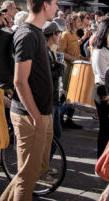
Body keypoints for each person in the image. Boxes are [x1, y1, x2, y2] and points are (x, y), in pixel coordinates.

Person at [0, 0, 59, 201]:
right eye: (54, 4)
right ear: (45, 5)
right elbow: (20, 81)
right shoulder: (27, 35)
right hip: (29, 115)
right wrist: (35, 115)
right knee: (27, 178)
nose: (57, 8)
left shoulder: (37, 33)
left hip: (41, 113)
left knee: (36, 168)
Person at [92, 18, 109, 158]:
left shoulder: (106, 49)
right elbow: (103, 75)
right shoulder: (99, 51)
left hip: (108, 89)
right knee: (105, 129)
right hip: (103, 90)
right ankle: (101, 158)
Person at [42, 21, 65, 165]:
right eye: (58, 33)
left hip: (54, 98)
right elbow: (47, 75)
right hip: (49, 99)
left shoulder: (49, 50)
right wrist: (60, 68)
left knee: (55, 134)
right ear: (52, 35)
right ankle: (42, 167)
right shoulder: (45, 51)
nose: (59, 36)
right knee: (52, 135)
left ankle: (44, 165)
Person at [59, 13, 85, 129]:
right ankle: (59, 116)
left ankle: (69, 119)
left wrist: (84, 59)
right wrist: (73, 59)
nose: (81, 22)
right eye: (79, 20)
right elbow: (60, 52)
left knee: (74, 94)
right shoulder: (65, 35)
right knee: (67, 94)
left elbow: (77, 53)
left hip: (76, 66)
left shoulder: (75, 36)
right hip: (68, 68)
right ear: (73, 22)